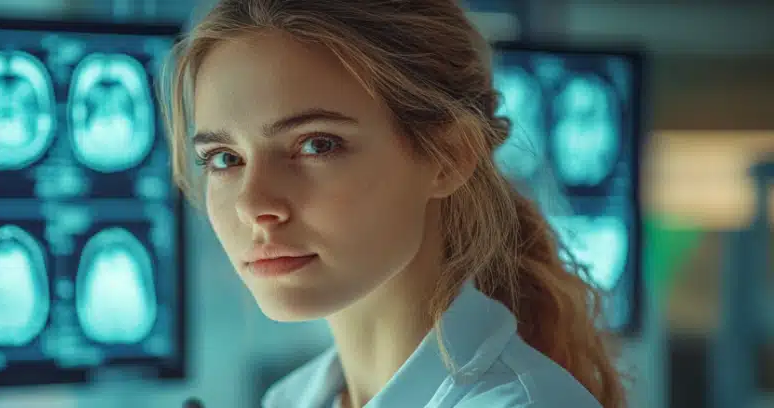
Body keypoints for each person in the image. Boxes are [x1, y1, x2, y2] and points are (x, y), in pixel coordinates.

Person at [158, 0, 627, 407]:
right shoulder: (296, 399)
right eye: (224, 158)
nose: (253, 205)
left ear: (448, 157)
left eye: (317, 144)